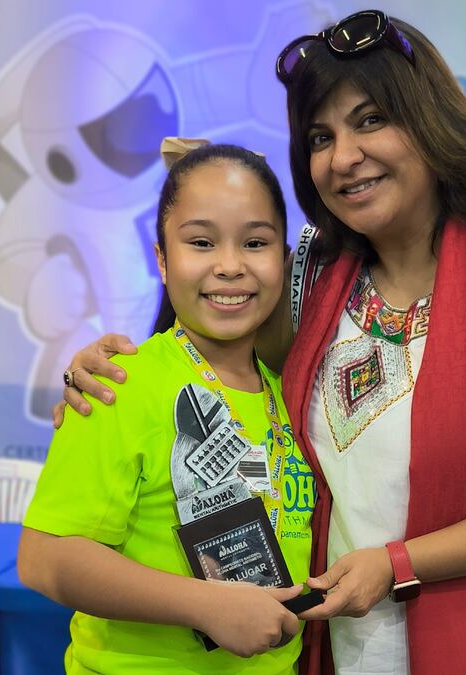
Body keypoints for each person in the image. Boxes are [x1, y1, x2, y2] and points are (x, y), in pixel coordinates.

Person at [55, 11, 466, 675]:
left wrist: (398, 564)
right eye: (321, 136)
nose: (343, 157)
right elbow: (207, 367)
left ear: (430, 122)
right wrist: (100, 377)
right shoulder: (312, 276)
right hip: (336, 646)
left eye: (371, 120)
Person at [18, 141, 318, 674]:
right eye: (201, 242)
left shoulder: (289, 393)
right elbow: (44, 557)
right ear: (161, 259)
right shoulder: (118, 385)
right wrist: (207, 605)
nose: (230, 266)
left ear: (284, 258)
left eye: (255, 243)